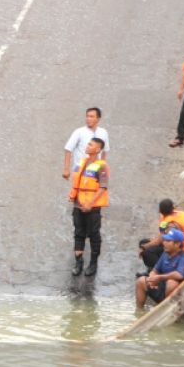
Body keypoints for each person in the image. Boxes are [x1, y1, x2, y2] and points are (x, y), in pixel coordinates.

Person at [68, 137, 109, 277]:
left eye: (90, 144)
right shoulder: (82, 162)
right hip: (78, 204)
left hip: (92, 208)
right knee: (78, 233)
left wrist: (90, 204)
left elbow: (103, 187)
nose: (87, 146)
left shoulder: (101, 166)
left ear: (97, 149)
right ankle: (78, 262)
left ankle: (93, 263)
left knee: (93, 234)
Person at [137, 226, 184, 307]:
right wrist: (152, 278)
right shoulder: (165, 254)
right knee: (141, 281)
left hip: (181, 299)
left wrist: (159, 278)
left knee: (172, 283)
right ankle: (139, 312)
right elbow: (155, 270)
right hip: (163, 289)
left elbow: (179, 275)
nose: (164, 243)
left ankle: (166, 311)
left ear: (177, 244)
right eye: (165, 240)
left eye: (168, 241)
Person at [139, 199, 184, 268]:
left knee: (147, 252)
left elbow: (158, 241)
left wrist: (143, 247)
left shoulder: (168, 224)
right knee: (144, 242)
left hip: (180, 250)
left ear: (160, 211)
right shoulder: (182, 214)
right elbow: (161, 236)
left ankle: (159, 270)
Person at [63, 107, 109, 179]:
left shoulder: (103, 132)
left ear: (98, 119)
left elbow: (105, 151)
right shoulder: (79, 132)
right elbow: (68, 149)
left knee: (94, 188)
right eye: (87, 116)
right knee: (78, 189)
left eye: (91, 116)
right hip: (80, 168)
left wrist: (103, 169)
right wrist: (66, 169)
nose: (88, 119)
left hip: (95, 169)